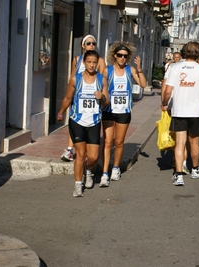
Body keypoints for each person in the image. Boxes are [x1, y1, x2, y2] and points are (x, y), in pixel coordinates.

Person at [57, 50, 109, 197]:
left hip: (94, 121)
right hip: (77, 121)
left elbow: (107, 102)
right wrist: (61, 112)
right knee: (80, 154)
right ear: (84, 63)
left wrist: (102, 97)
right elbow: (68, 98)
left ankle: (88, 171)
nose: (92, 65)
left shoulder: (101, 80)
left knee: (92, 157)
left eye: (94, 62)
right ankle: (78, 185)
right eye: (89, 62)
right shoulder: (76, 79)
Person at [162, 41, 199, 186]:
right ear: (198, 54)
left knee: (180, 143)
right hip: (196, 111)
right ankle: (195, 169)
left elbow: (167, 90)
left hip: (179, 110)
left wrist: (165, 103)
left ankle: (178, 175)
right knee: (194, 142)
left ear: (184, 52)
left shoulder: (175, 67)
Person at [100, 42, 147, 187]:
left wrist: (139, 68)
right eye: (119, 55)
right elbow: (101, 87)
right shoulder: (108, 71)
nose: (122, 58)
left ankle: (115, 168)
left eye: (125, 56)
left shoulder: (130, 69)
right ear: (114, 55)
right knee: (108, 142)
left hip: (124, 111)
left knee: (119, 142)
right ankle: (104, 173)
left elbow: (143, 84)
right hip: (109, 111)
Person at [61, 35, 106, 162]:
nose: (92, 45)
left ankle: (87, 154)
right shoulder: (77, 60)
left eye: (93, 43)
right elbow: (72, 77)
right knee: (74, 119)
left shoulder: (100, 60)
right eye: (89, 43)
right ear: (83, 46)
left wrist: (101, 94)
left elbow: (102, 77)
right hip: (77, 95)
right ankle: (70, 149)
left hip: (93, 97)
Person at [161, 51, 189, 173]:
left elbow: (165, 86)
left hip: (176, 105)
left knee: (178, 136)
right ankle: (182, 162)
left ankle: (179, 162)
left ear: (181, 57)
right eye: (175, 58)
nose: (177, 59)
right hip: (184, 106)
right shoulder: (171, 67)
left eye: (178, 57)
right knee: (182, 137)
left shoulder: (173, 68)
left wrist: (163, 102)